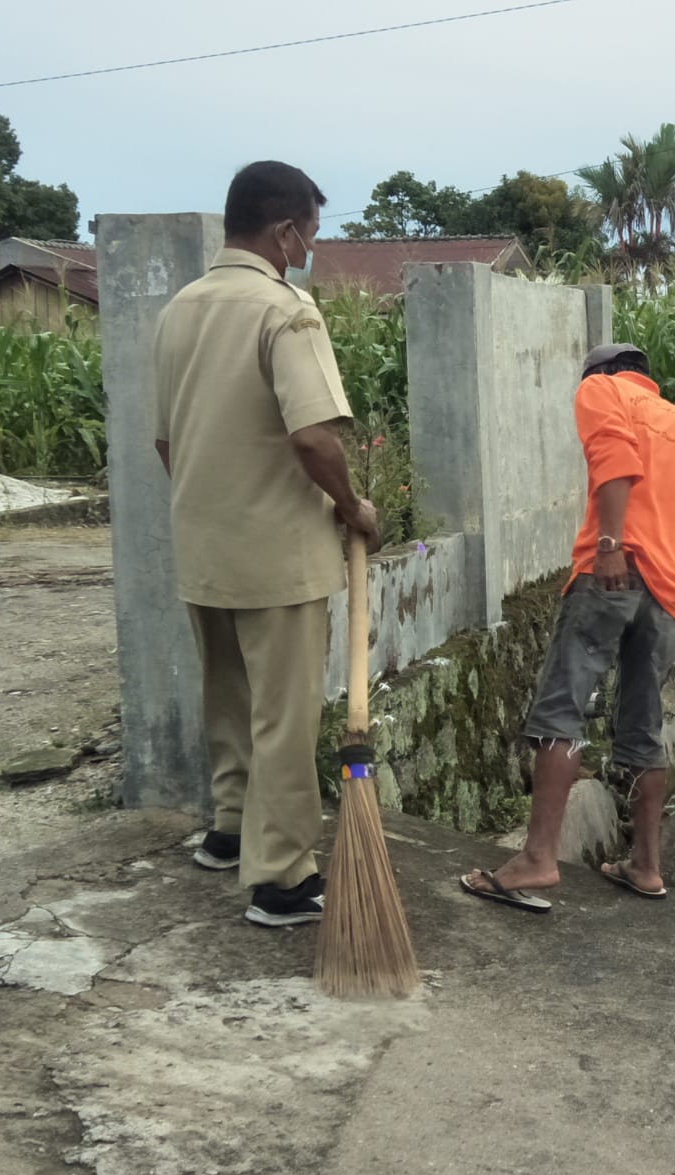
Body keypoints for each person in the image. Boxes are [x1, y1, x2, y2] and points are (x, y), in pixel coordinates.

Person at [154, 161, 379, 927]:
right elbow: (313, 436)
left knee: (227, 697)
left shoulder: (179, 309)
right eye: (310, 235)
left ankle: (227, 830)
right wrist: (352, 506)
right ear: (285, 230)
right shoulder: (285, 311)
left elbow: (165, 441)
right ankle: (281, 878)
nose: (310, 251)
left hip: (203, 545)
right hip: (278, 555)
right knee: (283, 717)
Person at [461, 343, 675, 908]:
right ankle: (647, 865)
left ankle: (537, 859)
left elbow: (616, 460)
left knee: (564, 708)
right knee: (644, 723)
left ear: (602, 373)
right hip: (668, 593)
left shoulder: (600, 390)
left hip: (612, 571)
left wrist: (610, 545)